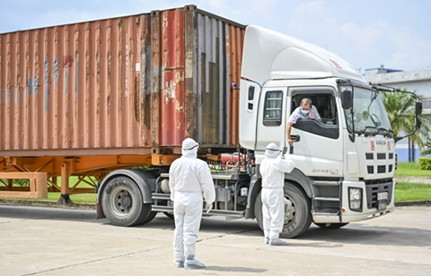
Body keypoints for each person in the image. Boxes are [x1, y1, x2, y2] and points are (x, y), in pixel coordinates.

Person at [169, 138, 215, 269]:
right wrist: (209, 199)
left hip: (178, 198)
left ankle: (178, 259)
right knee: (190, 229)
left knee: (179, 229)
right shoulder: (200, 164)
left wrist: (174, 197)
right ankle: (190, 258)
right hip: (193, 199)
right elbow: (207, 184)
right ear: (195, 148)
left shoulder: (175, 164)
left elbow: (172, 184)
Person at [259, 142, 295, 246]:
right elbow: (290, 166)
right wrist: (289, 155)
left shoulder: (264, 162)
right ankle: (274, 238)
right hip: (275, 191)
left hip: (264, 190)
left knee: (267, 215)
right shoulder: (277, 162)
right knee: (276, 215)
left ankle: (267, 236)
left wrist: (280, 157)